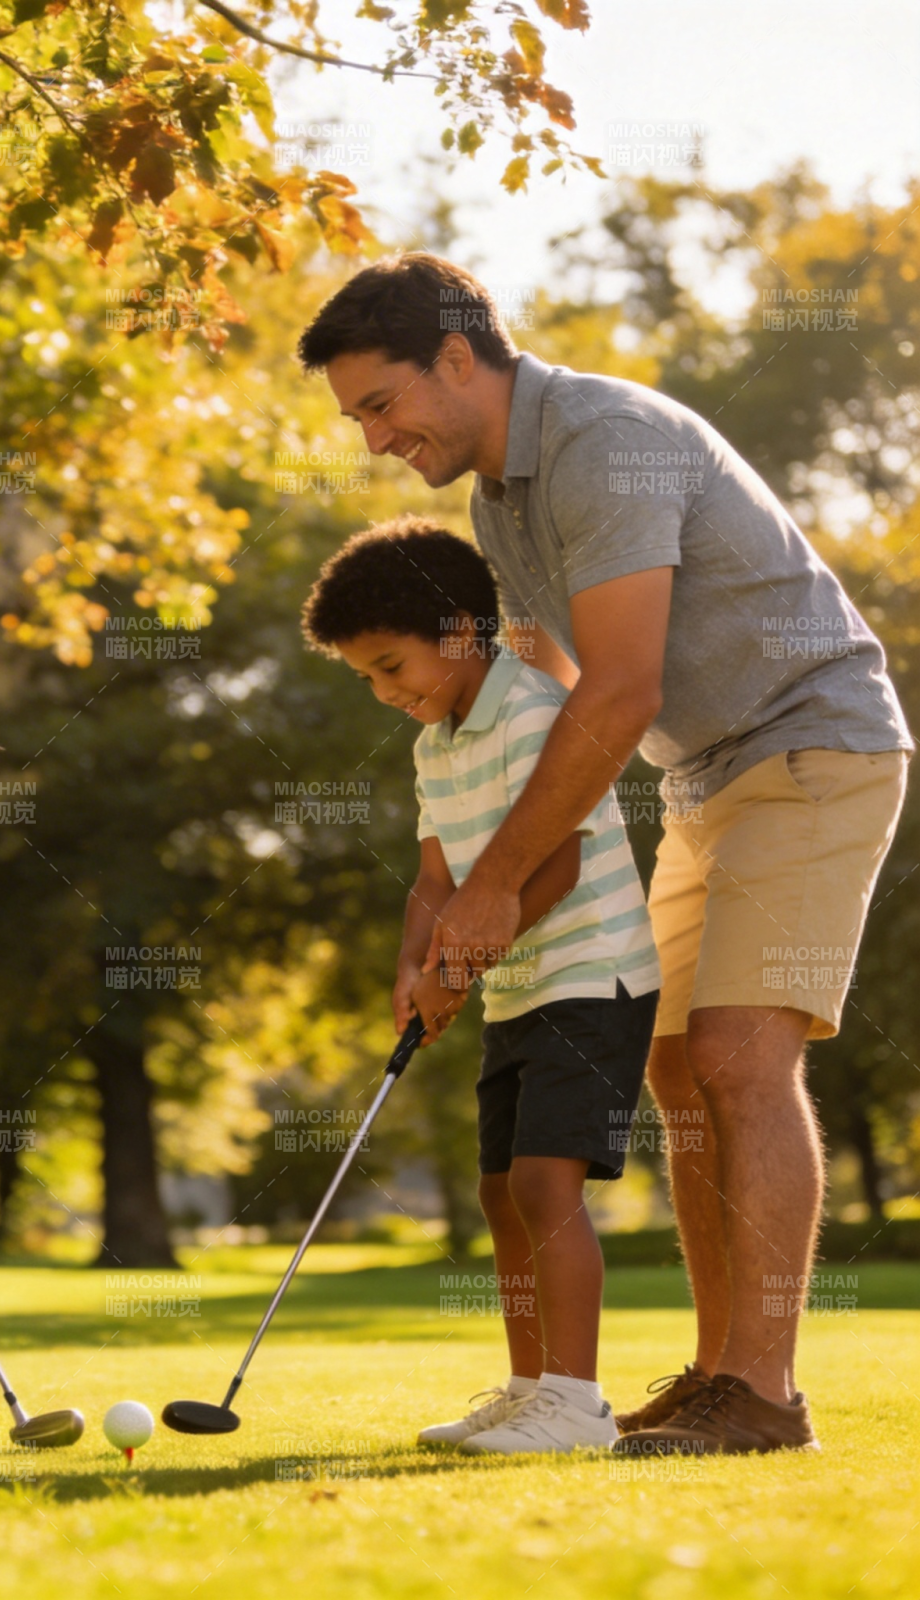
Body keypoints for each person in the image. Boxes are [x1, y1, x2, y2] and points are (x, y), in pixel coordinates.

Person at [298, 254, 911, 1454]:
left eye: (381, 403)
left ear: (460, 358)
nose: (373, 439)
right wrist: (472, 884)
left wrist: (489, 890)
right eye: (357, 417)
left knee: (739, 1058)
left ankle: (765, 1392)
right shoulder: (497, 502)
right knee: (677, 1073)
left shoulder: (602, 440)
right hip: (701, 776)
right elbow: (550, 699)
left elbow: (620, 687)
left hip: (808, 739)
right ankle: (717, 1370)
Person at [303, 519, 660, 1454]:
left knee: (548, 1187)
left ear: (462, 633)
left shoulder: (540, 713)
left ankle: (576, 1404)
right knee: (501, 1192)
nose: (385, 693)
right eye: (367, 679)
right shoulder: (435, 746)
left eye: (392, 667)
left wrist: (459, 966)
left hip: (593, 975)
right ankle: (529, 1386)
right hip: (517, 992)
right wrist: (413, 967)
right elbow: (435, 880)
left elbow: (557, 870)